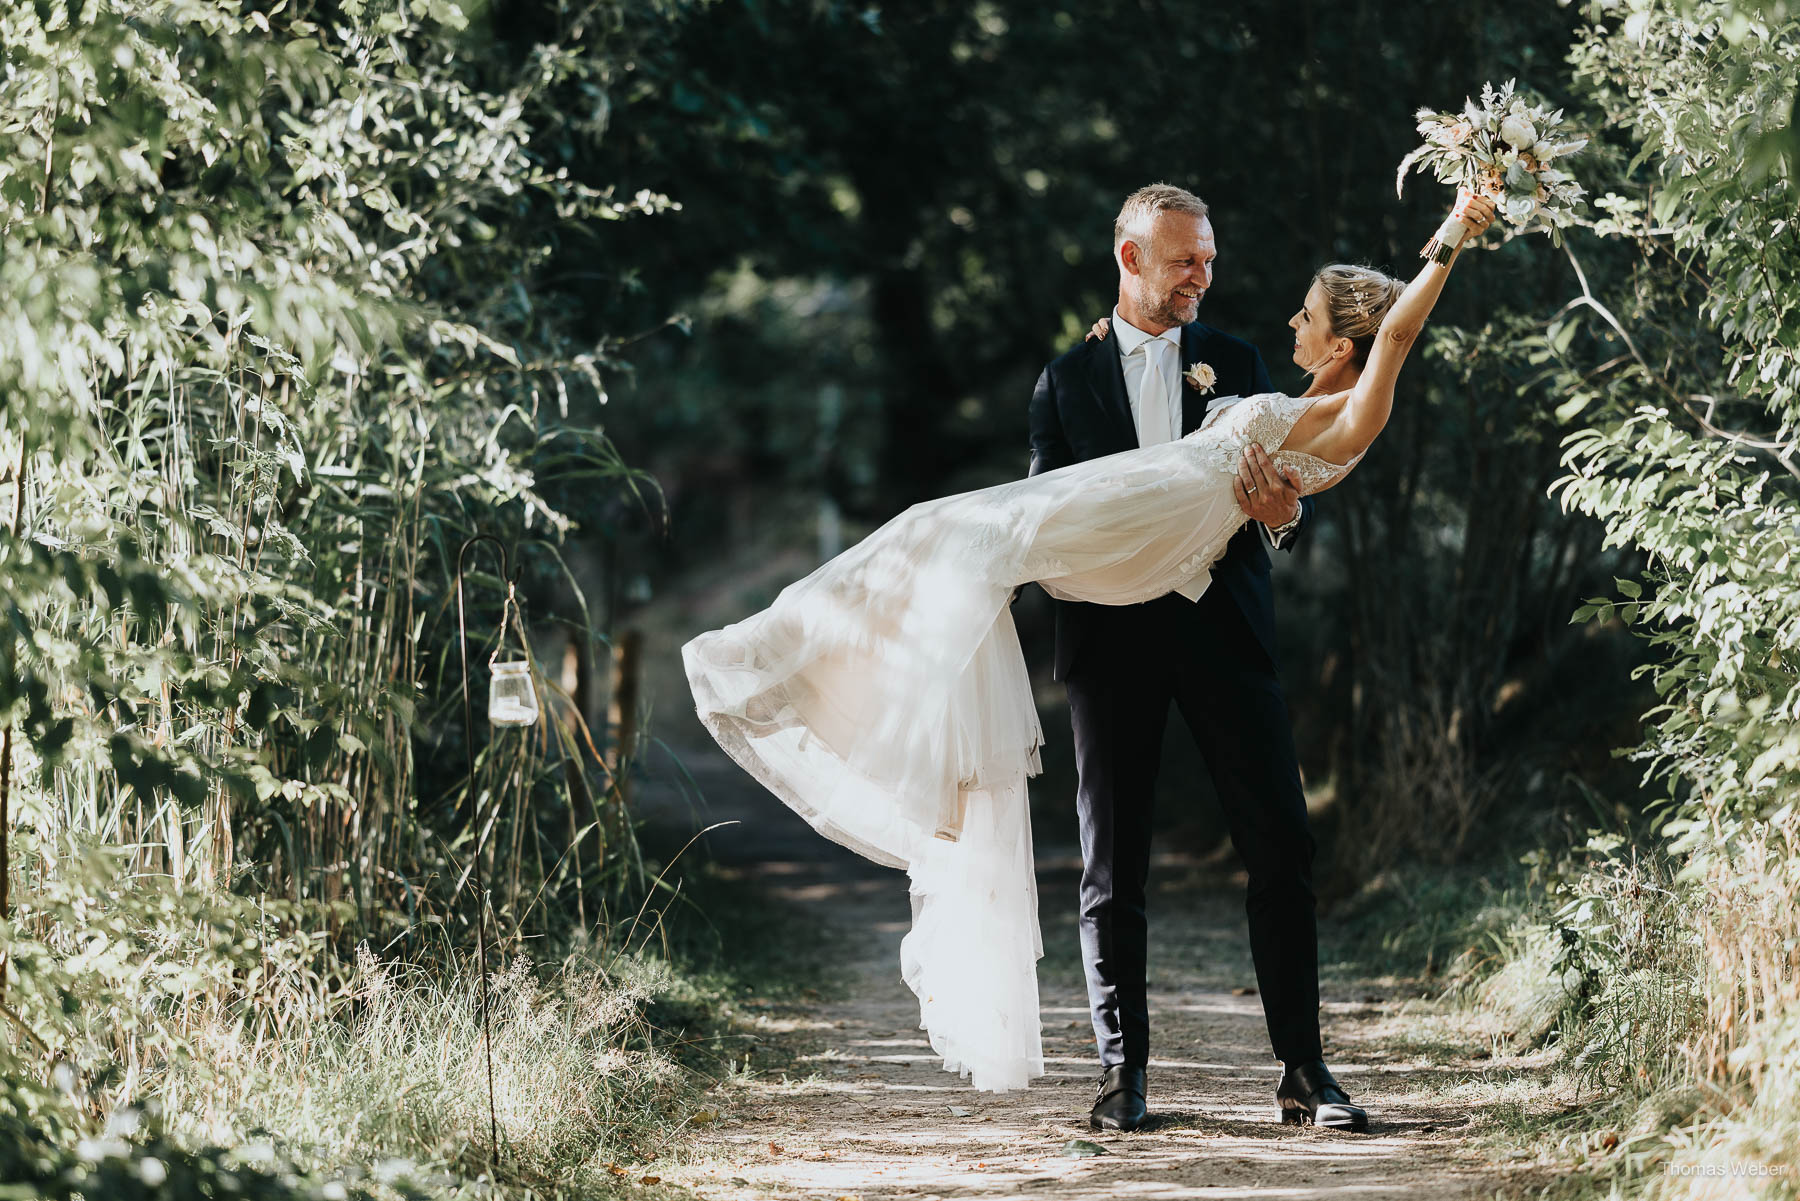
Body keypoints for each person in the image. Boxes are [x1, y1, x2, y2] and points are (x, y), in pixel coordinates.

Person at [682, 187, 1496, 1105]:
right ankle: (1125, 1073)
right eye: (1186, 259)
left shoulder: (1241, 364)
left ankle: (1304, 1068)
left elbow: (1337, 420)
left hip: (1221, 633)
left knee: (1281, 848)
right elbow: (1052, 503)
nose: (1205, 277)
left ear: (1337, 339)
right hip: (1110, 620)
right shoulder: (1065, 380)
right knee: (952, 550)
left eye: (1209, 259)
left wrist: (1286, 512)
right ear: (1130, 256)